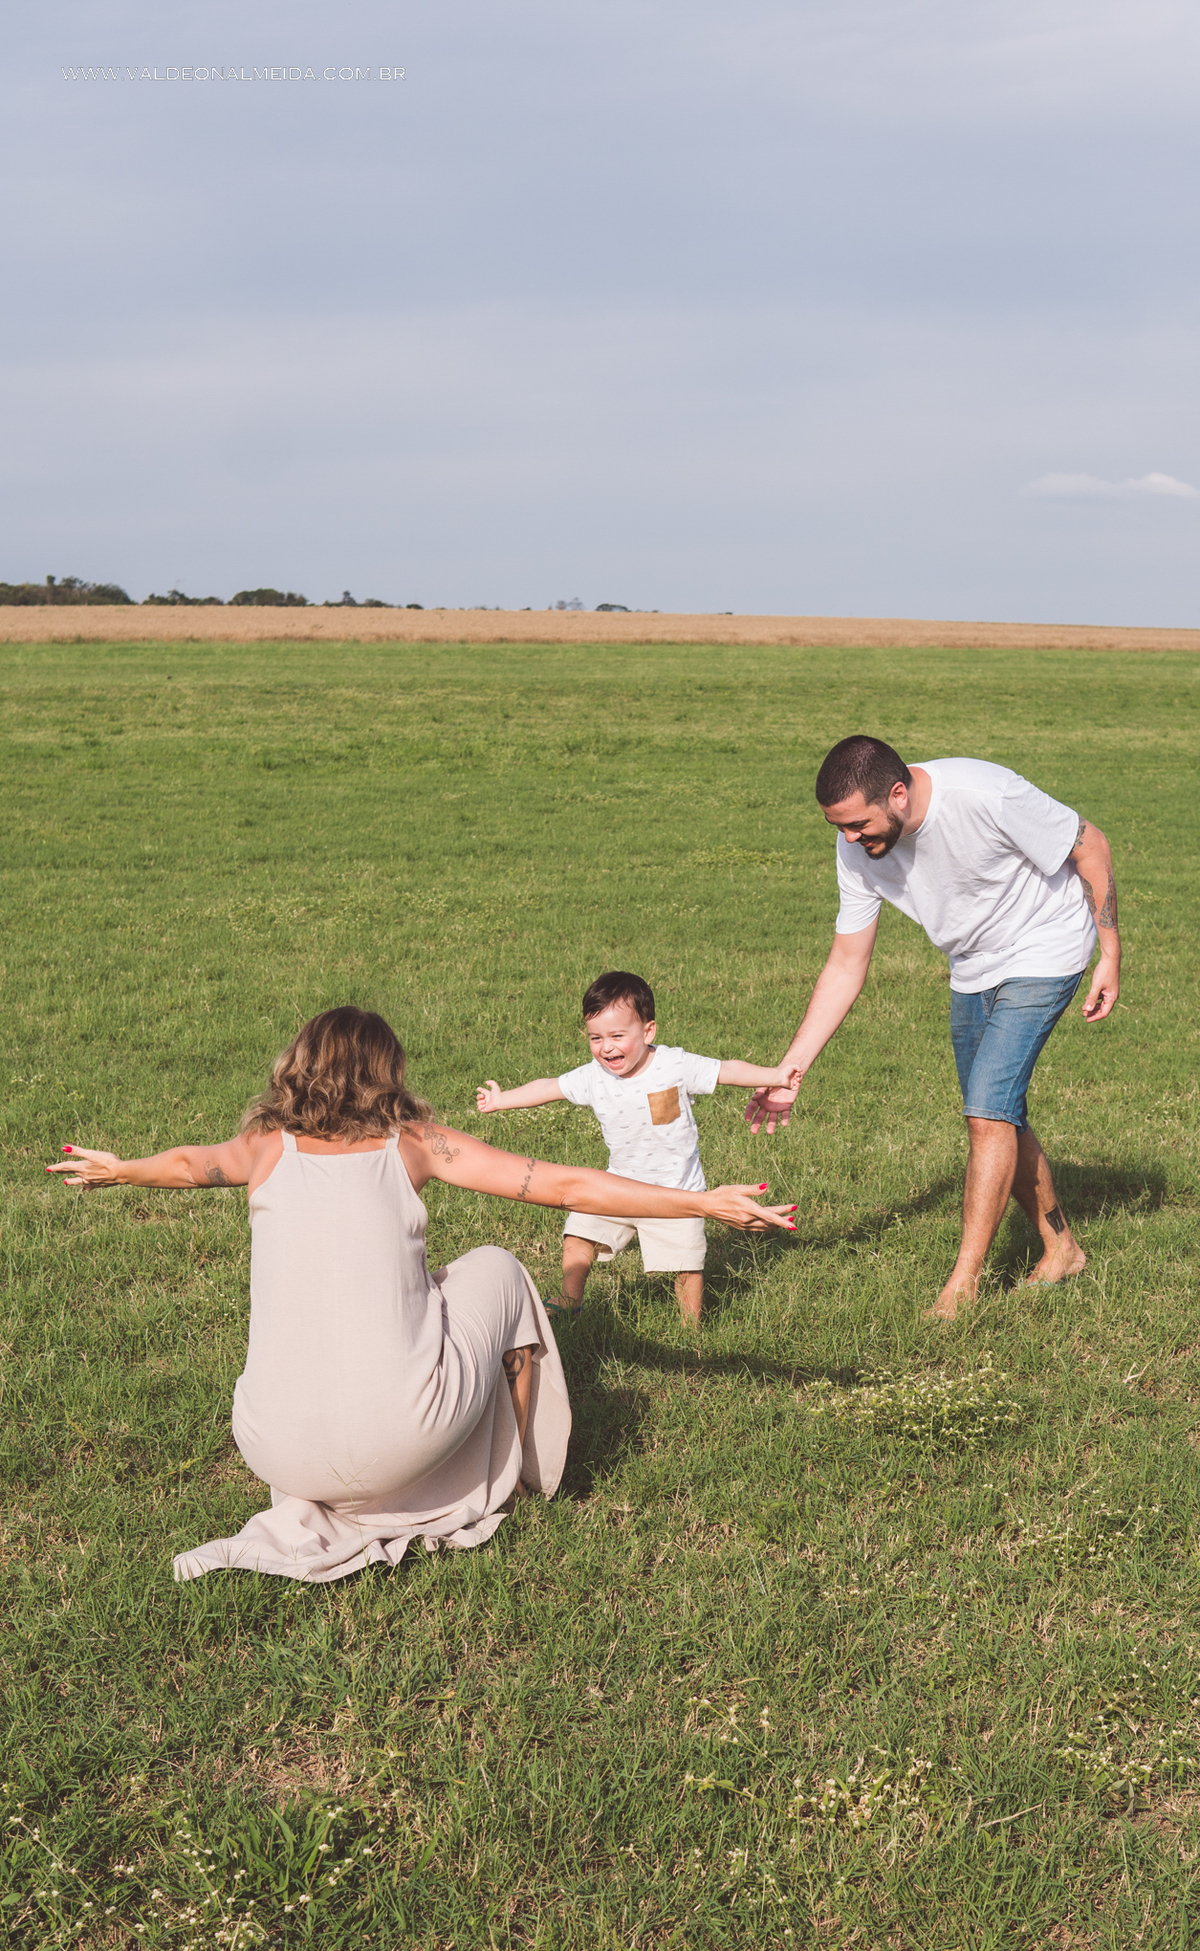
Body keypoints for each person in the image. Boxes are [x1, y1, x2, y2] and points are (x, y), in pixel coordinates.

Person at [48, 1007, 796, 1583]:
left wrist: (121, 1169)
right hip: (402, 1435)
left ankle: (388, 1478)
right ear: (388, 1073)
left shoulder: (263, 1149)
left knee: (418, 1294)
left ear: (295, 1068)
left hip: (270, 1444)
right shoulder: (412, 1144)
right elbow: (568, 1183)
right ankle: (520, 1483)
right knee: (497, 1267)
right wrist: (700, 1202)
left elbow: (187, 1163)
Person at [745, 737, 1120, 1321]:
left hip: (1048, 947)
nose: (849, 840)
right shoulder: (856, 848)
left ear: (898, 794)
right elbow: (847, 963)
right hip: (972, 967)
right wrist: (790, 1070)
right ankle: (1062, 1248)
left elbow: (1089, 845)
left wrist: (1110, 952)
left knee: (987, 1111)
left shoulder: (982, 793)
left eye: (858, 825)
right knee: (997, 1112)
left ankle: (960, 1289)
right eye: (838, 827)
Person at [476, 970, 801, 1324]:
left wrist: (776, 1076)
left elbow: (727, 1071)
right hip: (617, 1185)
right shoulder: (592, 1076)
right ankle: (571, 1298)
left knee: (686, 1265)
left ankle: (689, 1328)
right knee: (578, 1233)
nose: (606, 1047)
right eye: (595, 1037)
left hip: (677, 1192)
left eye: (617, 1035)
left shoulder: (674, 1065)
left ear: (648, 1032)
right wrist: (501, 1099)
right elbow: (548, 1087)